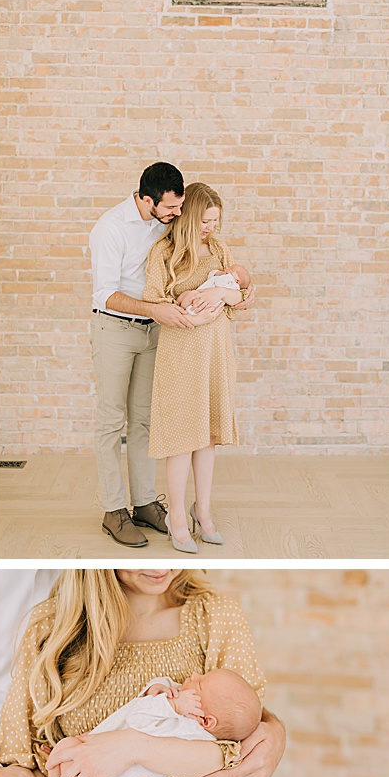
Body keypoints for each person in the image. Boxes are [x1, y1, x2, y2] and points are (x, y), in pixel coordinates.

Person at [0, 569, 287, 777]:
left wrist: (131, 747)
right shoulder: (51, 625)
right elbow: (18, 764)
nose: (160, 568)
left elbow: (236, 756)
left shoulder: (214, 615)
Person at [90, 163, 255, 547]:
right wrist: (164, 307)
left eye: (182, 208)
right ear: (147, 200)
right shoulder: (111, 228)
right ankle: (114, 510)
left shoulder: (176, 226)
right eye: (171, 209)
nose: (177, 214)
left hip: (159, 331)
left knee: (146, 420)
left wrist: (226, 292)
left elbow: (239, 286)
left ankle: (146, 501)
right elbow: (105, 294)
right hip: (117, 325)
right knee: (112, 419)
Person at [143, 182, 249, 552]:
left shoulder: (219, 248)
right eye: (205, 220)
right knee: (181, 437)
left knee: (208, 436)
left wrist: (218, 293)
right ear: (188, 217)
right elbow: (155, 302)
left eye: (216, 221)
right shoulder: (164, 252)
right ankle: (175, 517)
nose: (211, 228)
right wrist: (188, 301)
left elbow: (241, 296)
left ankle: (202, 510)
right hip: (182, 351)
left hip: (216, 350)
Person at [59, 669, 262, 777]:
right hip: (93, 776)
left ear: (206, 721)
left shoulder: (186, 729)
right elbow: (167, 688)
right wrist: (159, 687)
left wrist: (171, 706)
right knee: (67, 757)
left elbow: (137, 719)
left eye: (200, 683)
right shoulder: (192, 713)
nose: (194, 675)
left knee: (67, 759)